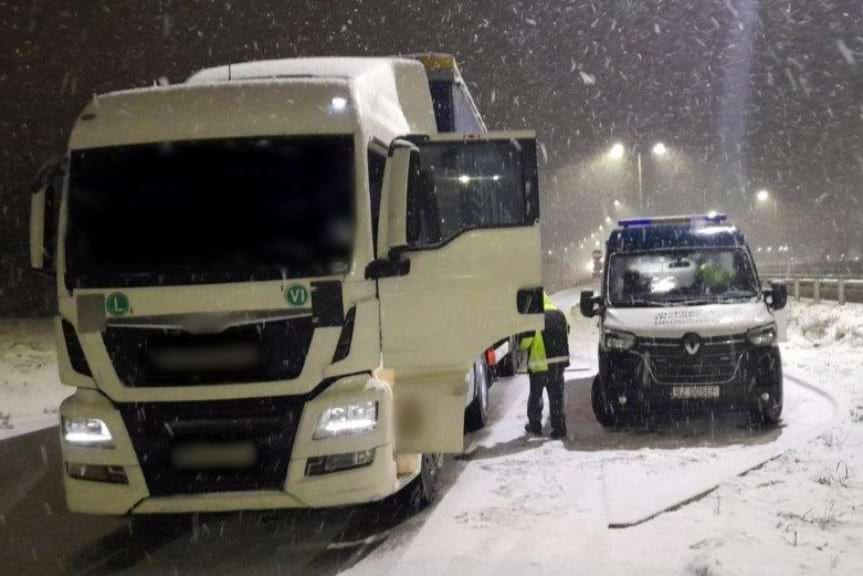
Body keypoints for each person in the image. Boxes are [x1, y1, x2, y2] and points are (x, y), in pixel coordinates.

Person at [519, 293, 570, 439]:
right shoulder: (559, 314)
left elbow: (526, 342)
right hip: (559, 363)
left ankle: (535, 426)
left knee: (536, 396)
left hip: (540, 364)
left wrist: (520, 346)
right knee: (557, 396)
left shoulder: (534, 317)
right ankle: (559, 428)